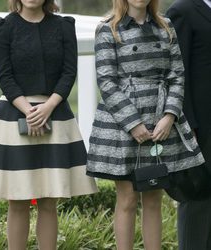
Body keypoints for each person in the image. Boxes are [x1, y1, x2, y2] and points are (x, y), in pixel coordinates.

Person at [0, 0, 97, 249]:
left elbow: (69, 73)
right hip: (13, 115)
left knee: (49, 200)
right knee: (18, 199)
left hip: (56, 114)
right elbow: (4, 75)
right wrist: (29, 111)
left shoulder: (63, 26)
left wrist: (47, 107)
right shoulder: (3, 27)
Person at [86, 0, 205, 249]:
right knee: (127, 198)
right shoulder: (108, 29)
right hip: (123, 127)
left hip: (161, 121)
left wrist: (169, 115)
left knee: (153, 197)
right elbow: (107, 81)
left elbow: (177, 75)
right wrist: (133, 123)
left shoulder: (166, 27)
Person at [167, 0, 211, 249]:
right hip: (200, 126)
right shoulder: (182, 10)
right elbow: (177, 72)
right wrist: (187, 125)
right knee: (198, 197)